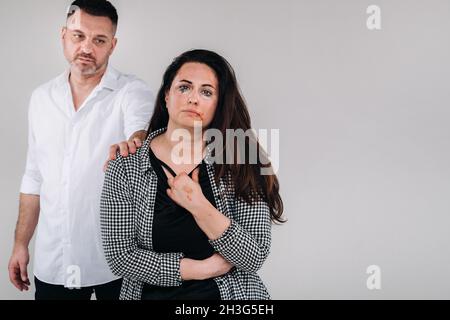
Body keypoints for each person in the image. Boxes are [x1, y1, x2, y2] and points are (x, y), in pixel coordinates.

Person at [100, 49, 285, 300]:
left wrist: (199, 207)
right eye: (184, 88)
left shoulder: (242, 163)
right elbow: (121, 258)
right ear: (166, 96)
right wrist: (202, 269)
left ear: (218, 104)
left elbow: (253, 256)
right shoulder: (125, 166)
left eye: (206, 92)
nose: (193, 99)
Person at [8, 0, 154, 300]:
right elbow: (34, 177)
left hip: (115, 264)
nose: (87, 47)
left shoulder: (131, 91)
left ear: (112, 45)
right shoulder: (41, 98)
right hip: (53, 264)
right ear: (63, 35)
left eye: (99, 40)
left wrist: (137, 141)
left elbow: (140, 132)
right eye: (78, 36)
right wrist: (21, 243)